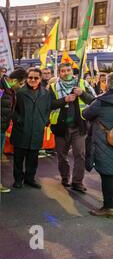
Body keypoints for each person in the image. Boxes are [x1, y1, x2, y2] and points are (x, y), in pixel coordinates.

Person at [49, 64, 95, 193]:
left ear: (72, 71)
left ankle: (77, 182)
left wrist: (82, 93)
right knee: (61, 155)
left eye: (68, 70)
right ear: (59, 73)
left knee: (80, 154)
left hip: (79, 127)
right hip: (60, 127)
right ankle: (65, 177)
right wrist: (65, 99)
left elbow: (93, 101)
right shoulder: (53, 87)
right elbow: (50, 104)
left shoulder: (82, 83)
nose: (65, 73)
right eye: (62, 71)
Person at [0, 68, 29, 193]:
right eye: (20, 83)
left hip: (1, 128)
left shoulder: (10, 90)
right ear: (14, 80)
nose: (21, 86)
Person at [11, 68, 51, 189]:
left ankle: (30, 178)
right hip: (21, 130)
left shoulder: (45, 93)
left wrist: (43, 121)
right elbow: (12, 109)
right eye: (30, 77)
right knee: (18, 158)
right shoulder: (18, 92)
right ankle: (18, 179)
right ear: (26, 78)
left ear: (40, 79)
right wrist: (18, 120)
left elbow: (47, 109)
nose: (33, 80)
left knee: (33, 159)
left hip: (36, 131)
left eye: (36, 78)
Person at [82, 73, 113, 217]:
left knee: (107, 174)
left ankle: (108, 207)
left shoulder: (102, 101)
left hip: (105, 142)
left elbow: (86, 113)